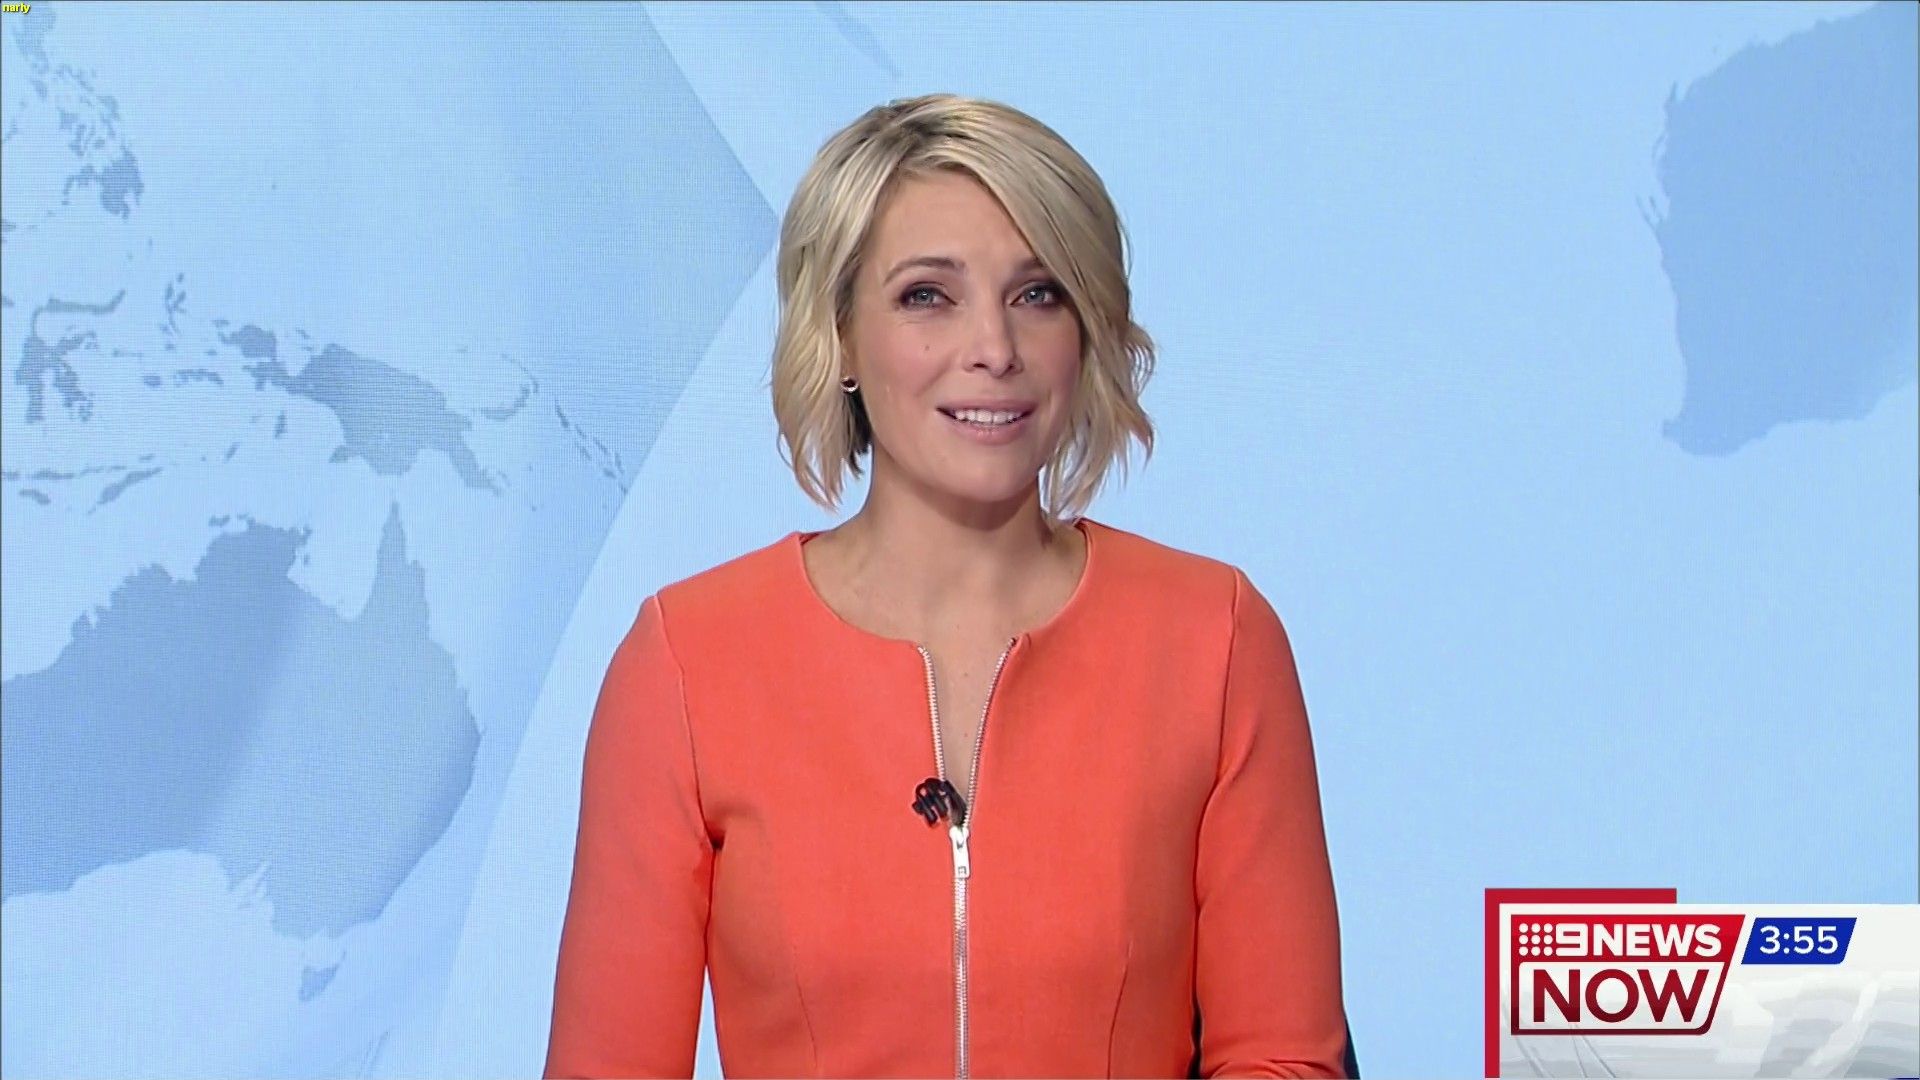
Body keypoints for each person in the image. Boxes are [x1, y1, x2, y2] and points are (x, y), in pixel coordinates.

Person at [544, 92, 1350, 1079]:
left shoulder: (1214, 638)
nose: (994, 350)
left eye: (1038, 294)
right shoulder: (687, 660)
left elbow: (1282, 1057)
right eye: (928, 295)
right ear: (841, 334)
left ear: (1087, 331)